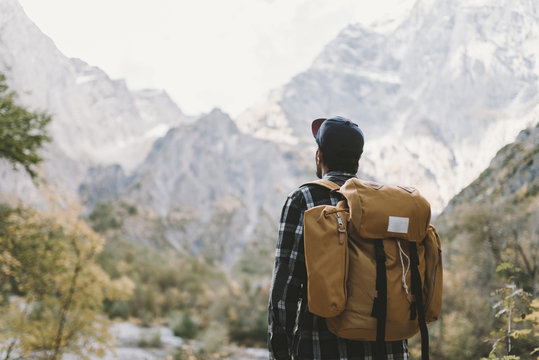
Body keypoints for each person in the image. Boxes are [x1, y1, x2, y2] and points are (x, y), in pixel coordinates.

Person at [268, 116, 409, 360]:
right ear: (357, 160)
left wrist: (279, 353)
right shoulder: (385, 204)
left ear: (319, 155)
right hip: (390, 350)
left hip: (323, 348)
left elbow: (284, 291)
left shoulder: (304, 200)